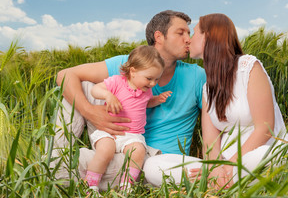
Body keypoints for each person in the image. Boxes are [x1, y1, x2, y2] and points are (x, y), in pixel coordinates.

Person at [53, 10, 206, 190]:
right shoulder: (129, 64)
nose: (188, 39)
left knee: (76, 164)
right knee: (84, 85)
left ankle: (58, 166)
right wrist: (90, 112)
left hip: (150, 158)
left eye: (189, 33)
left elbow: (219, 122)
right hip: (115, 137)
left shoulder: (196, 76)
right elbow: (64, 75)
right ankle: (58, 155)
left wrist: (214, 165)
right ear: (159, 37)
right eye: (181, 33)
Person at [144, 13, 288, 188]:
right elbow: (210, 144)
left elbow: (264, 129)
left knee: (268, 154)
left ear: (209, 37)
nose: (189, 40)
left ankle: (213, 182)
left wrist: (228, 165)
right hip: (223, 166)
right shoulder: (207, 87)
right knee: (152, 166)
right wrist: (213, 167)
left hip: (256, 157)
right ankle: (219, 182)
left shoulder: (249, 67)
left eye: (194, 33)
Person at [85, 45, 171, 192]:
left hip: (132, 135)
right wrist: (108, 95)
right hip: (111, 132)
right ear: (133, 71)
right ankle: (91, 184)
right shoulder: (118, 82)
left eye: (156, 79)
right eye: (149, 78)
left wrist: (156, 100)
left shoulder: (146, 90)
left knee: (138, 152)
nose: (153, 83)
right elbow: (95, 90)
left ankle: (127, 185)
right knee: (105, 150)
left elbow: (146, 103)